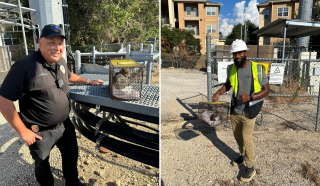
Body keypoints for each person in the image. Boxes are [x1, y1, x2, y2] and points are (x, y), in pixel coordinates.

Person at [0, 24, 104, 186]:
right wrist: (23, 131)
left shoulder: (61, 61)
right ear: (40, 43)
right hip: (40, 131)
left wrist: (89, 81)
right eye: (51, 42)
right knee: (42, 164)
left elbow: (68, 75)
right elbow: (4, 100)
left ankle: (72, 182)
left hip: (65, 125)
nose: (57, 47)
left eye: (60, 43)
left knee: (71, 157)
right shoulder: (24, 67)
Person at [212, 39, 270, 182]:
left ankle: (250, 168)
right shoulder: (232, 68)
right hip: (235, 109)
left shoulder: (257, 68)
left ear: (245, 53)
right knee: (238, 137)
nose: (237, 56)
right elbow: (228, 85)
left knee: (246, 138)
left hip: (250, 109)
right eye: (234, 53)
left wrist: (249, 97)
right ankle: (243, 157)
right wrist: (219, 92)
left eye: (240, 53)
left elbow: (267, 90)